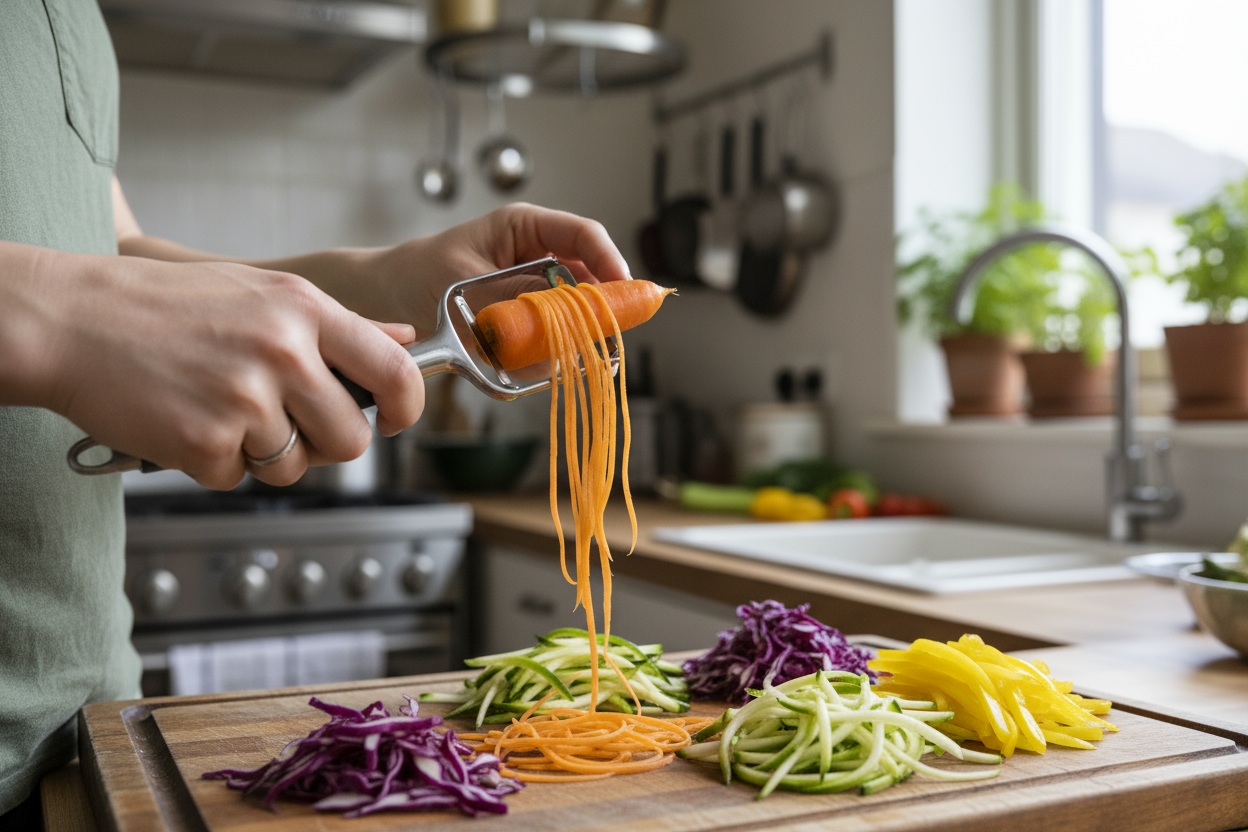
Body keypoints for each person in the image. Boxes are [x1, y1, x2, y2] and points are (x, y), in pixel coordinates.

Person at [0, 0, 630, 824]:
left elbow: (107, 249)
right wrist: (62, 316)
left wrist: (380, 280)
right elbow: (79, 291)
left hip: (88, 743)